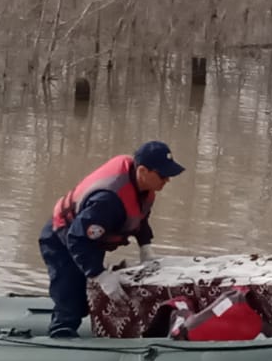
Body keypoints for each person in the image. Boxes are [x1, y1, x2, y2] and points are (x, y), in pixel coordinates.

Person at [38, 140, 185, 338]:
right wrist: (100, 275)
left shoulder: (142, 187)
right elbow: (77, 239)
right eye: (162, 175)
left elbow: (139, 218)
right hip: (63, 238)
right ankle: (60, 333)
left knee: (86, 298)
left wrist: (145, 247)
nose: (167, 180)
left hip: (90, 237)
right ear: (143, 171)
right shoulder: (108, 200)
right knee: (71, 297)